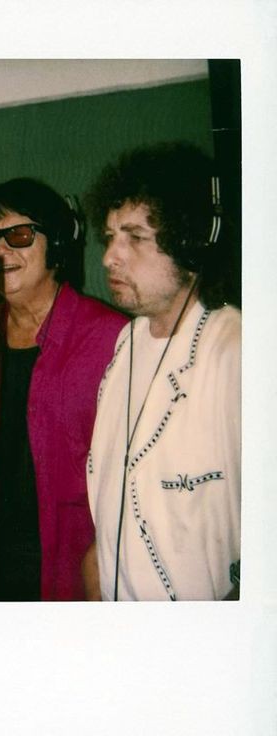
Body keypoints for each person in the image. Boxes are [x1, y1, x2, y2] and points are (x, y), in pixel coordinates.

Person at [0, 178, 127, 601]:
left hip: (71, 559)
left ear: (55, 243)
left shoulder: (109, 338)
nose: (1, 251)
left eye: (19, 235)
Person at [84, 142, 241, 601]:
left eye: (134, 237)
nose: (109, 257)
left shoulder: (234, 351)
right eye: (110, 237)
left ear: (190, 242)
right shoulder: (126, 344)